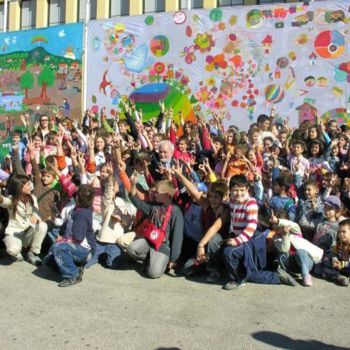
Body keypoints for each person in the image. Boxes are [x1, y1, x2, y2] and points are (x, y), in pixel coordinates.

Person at [126, 178, 184, 279]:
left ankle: (159, 262)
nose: (154, 194)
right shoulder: (154, 207)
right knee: (131, 249)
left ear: (166, 194)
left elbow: (177, 237)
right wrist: (132, 185)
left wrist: (173, 259)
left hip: (163, 247)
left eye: (157, 192)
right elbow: (138, 203)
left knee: (153, 274)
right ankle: (150, 259)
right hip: (149, 241)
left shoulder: (175, 211)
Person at [48, 184, 96, 287]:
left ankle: (73, 275)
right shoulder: (76, 210)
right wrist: (61, 236)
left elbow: (78, 237)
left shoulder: (82, 214)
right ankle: (75, 266)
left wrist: (64, 241)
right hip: (73, 243)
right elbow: (66, 224)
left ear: (77, 198)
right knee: (49, 260)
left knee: (59, 249)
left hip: (84, 249)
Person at [0, 174, 47, 265]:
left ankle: (32, 253)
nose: (31, 186)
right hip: (14, 233)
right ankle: (15, 252)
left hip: (28, 232)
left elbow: (36, 211)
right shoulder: (11, 199)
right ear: (20, 187)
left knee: (42, 226)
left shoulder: (33, 198)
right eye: (28, 184)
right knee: (13, 250)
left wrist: (35, 216)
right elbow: (4, 201)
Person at [321, 218, 350, 287]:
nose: (341, 234)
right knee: (326, 260)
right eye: (339, 232)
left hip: (347, 267)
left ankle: (332, 276)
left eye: (344, 232)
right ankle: (338, 277)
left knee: (325, 272)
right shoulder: (339, 244)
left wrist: (342, 264)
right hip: (340, 268)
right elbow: (333, 254)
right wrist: (335, 260)